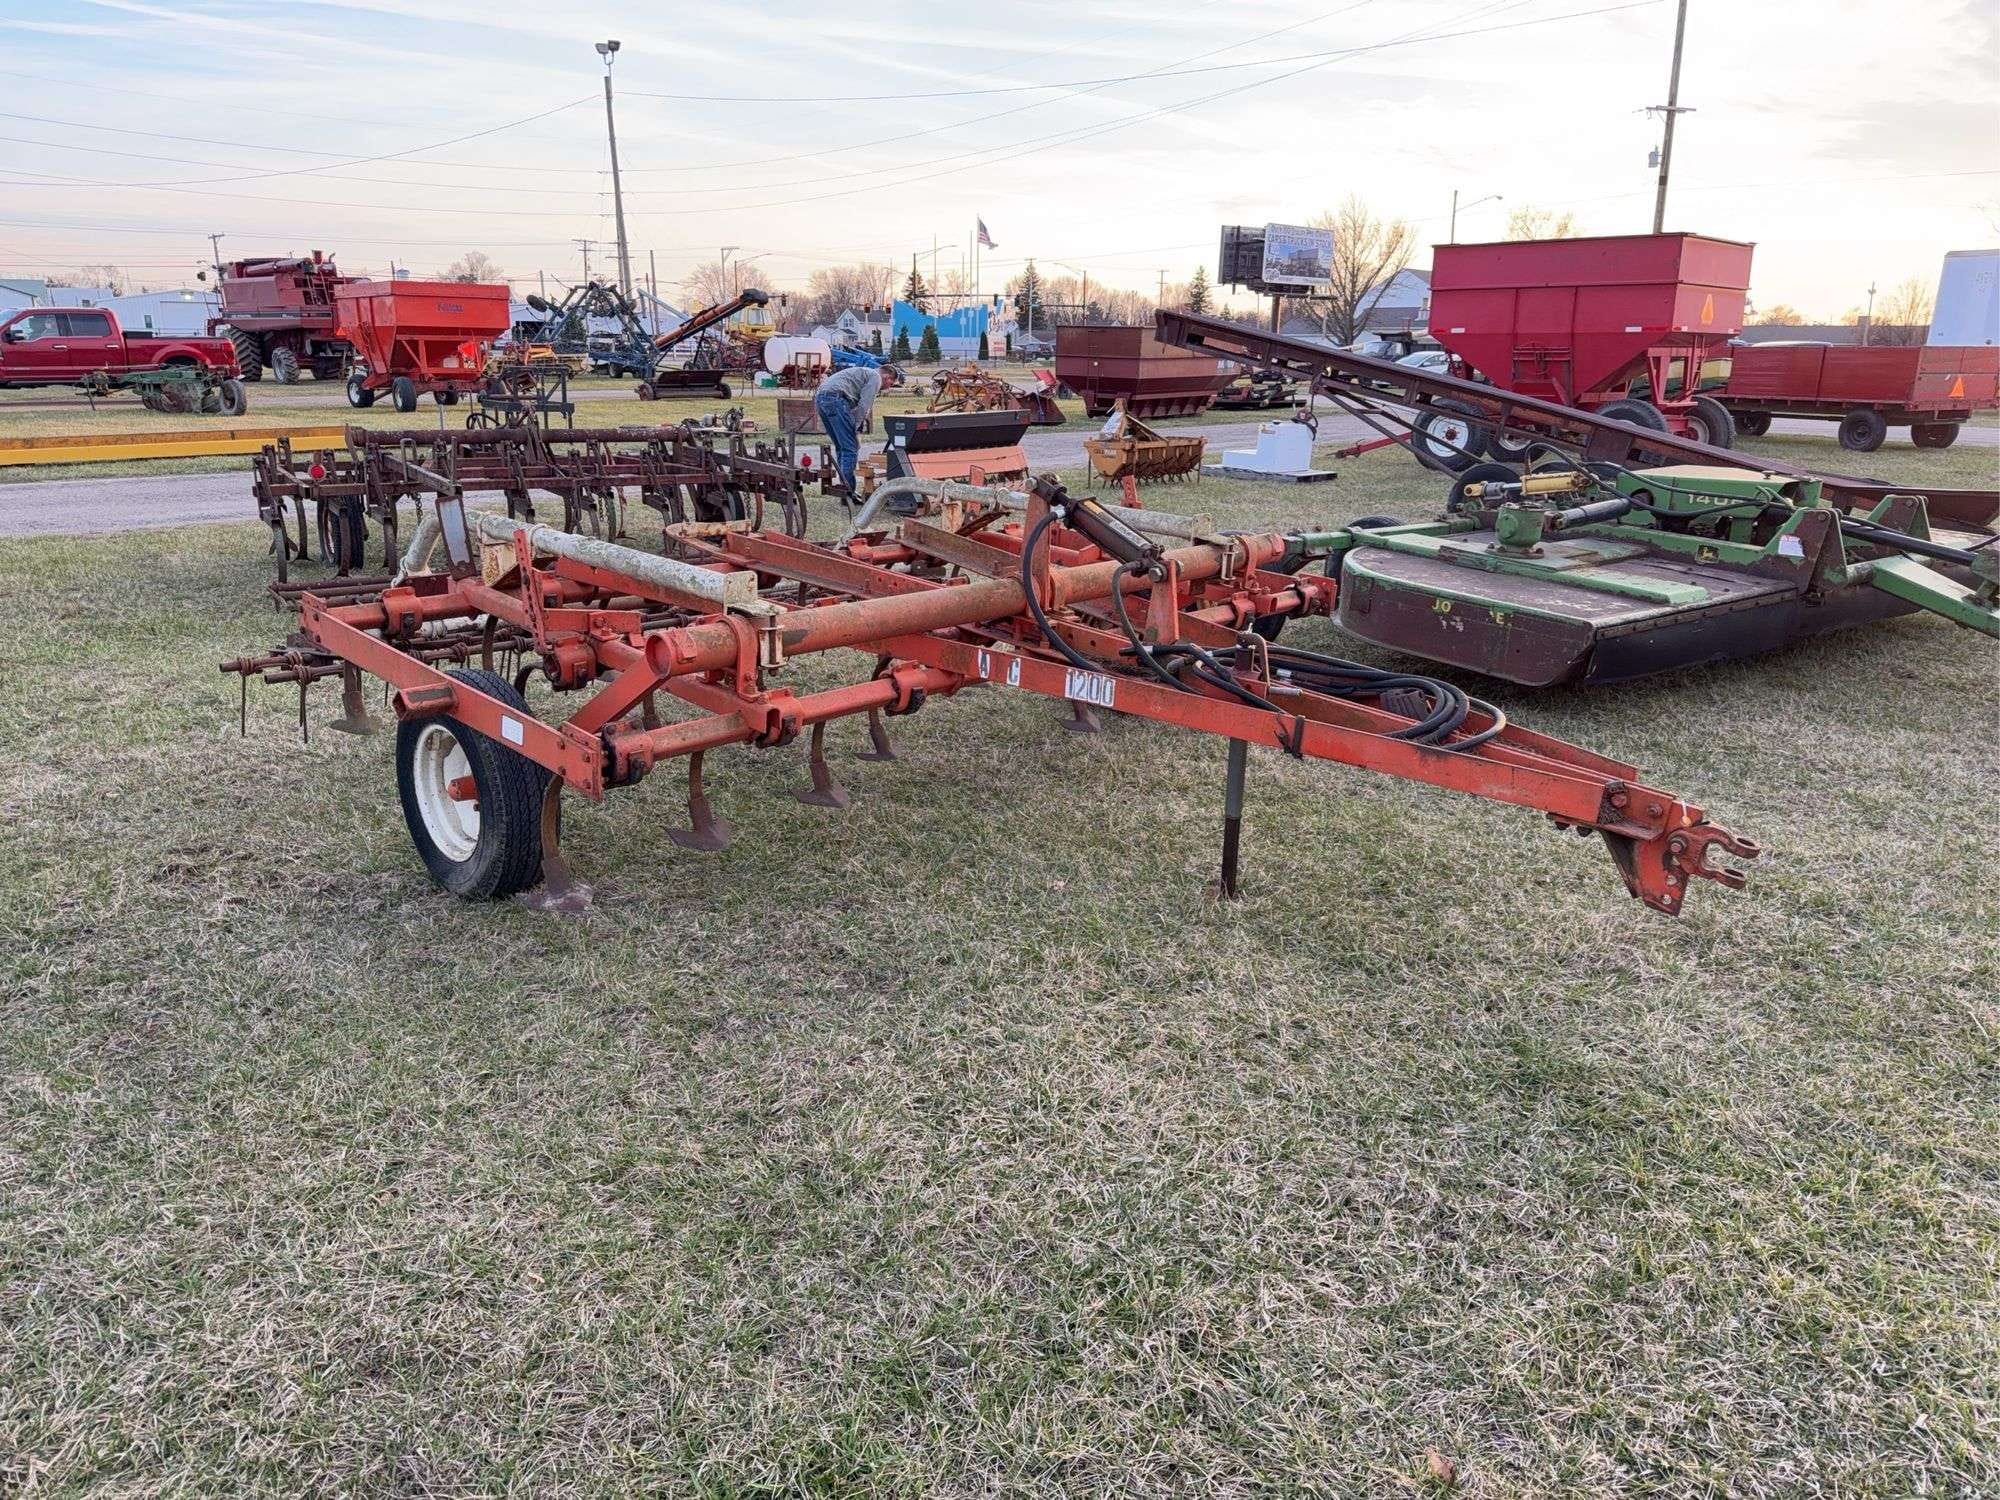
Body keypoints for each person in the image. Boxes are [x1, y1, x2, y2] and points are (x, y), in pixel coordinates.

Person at [813, 360, 901, 497]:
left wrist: (854, 430)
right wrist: (854, 430)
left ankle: (844, 488)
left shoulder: (863, 373)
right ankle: (849, 492)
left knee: (842, 447)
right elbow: (864, 406)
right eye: (891, 383)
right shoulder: (875, 377)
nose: (888, 387)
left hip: (821, 398)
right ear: (887, 377)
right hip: (836, 399)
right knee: (850, 448)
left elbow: (854, 409)